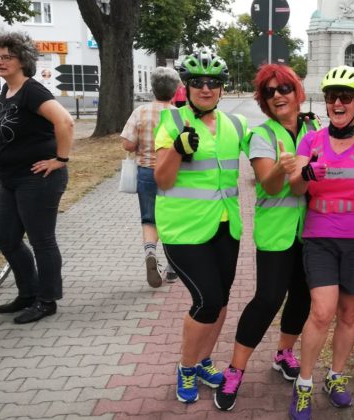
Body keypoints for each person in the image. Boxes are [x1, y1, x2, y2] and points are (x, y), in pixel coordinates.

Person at [287, 65, 354, 420]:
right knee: (321, 311)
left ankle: (335, 377)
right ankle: (303, 384)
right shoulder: (311, 140)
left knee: (349, 313)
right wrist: (305, 173)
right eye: (332, 97)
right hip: (320, 237)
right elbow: (296, 187)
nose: (337, 103)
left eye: (346, 97)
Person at [214, 64, 319, 411]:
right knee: (268, 299)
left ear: (297, 91)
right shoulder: (262, 135)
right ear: (263, 100)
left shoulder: (314, 127)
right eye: (269, 92)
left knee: (302, 298)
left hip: (312, 231)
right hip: (276, 232)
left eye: (284, 88)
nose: (277, 96)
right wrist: (280, 167)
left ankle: (284, 353)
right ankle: (235, 370)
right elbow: (269, 186)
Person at [152, 50, 248, 404]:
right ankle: (187, 366)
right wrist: (177, 149)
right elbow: (162, 179)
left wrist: (304, 125)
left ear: (222, 88)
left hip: (225, 226)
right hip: (184, 229)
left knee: (221, 301)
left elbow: (270, 145)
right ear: (187, 86)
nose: (206, 88)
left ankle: (205, 360)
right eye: (198, 82)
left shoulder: (236, 124)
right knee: (206, 300)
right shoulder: (173, 121)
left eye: (213, 82)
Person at [0, 29, 73, 324]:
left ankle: (47, 300)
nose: (0, 61)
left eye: (7, 57)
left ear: (22, 60)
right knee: (5, 237)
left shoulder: (32, 91)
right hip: (9, 177)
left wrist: (60, 159)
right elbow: (16, 130)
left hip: (37, 178)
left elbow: (65, 121)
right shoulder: (6, 90)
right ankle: (28, 292)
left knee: (41, 240)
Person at [121, 67, 180, 288]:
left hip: (146, 172)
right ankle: (172, 268)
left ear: (153, 88)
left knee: (149, 219)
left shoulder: (140, 112)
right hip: (173, 173)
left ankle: (150, 253)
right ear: (175, 90)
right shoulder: (179, 115)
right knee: (173, 219)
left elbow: (128, 144)